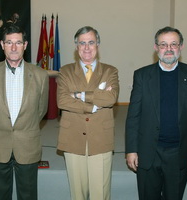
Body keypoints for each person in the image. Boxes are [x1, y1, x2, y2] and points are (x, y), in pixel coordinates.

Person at [125, 26, 187, 200]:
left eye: (173, 44)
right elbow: (133, 117)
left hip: (179, 153)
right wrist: (131, 150)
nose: (168, 49)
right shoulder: (142, 75)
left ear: (181, 47)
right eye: (163, 44)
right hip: (148, 153)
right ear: (156, 48)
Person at [0, 25, 49, 200]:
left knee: (28, 195)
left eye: (18, 42)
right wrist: (0, 123)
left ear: (25, 45)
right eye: (9, 42)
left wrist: (23, 126)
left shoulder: (40, 75)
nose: (14, 47)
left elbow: (41, 110)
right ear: (2, 44)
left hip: (27, 144)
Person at [57, 26, 119, 200]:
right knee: (78, 194)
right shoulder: (65, 71)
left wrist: (78, 95)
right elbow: (62, 101)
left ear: (97, 45)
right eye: (82, 43)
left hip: (100, 138)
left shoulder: (110, 71)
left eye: (91, 42)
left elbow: (111, 98)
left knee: (100, 193)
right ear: (76, 47)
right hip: (72, 137)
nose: (86, 47)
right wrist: (91, 105)